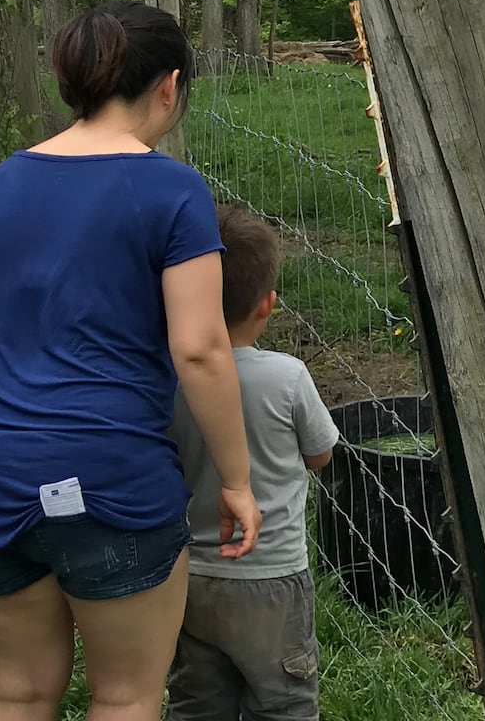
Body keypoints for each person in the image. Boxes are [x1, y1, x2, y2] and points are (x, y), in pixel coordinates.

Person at [0, 1, 262, 721]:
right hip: (108, 481)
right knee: (126, 695)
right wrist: (236, 479)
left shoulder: (0, 186)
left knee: (16, 690)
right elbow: (200, 348)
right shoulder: (173, 190)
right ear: (169, 86)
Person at [168, 204, 338, 721]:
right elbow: (321, 455)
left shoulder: (170, 378)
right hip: (273, 577)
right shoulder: (288, 377)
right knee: (283, 703)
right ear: (267, 305)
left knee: (198, 701)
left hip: (191, 573)